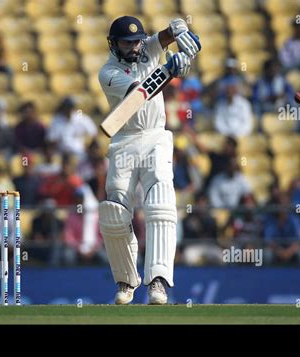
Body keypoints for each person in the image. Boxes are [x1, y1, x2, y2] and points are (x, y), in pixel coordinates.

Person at [98, 16, 200, 304]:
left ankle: (158, 282)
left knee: (160, 202)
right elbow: (140, 94)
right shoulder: (108, 72)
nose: (134, 46)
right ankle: (126, 282)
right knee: (114, 211)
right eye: (127, 42)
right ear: (114, 44)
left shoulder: (149, 49)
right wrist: (169, 69)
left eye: (137, 40)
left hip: (156, 136)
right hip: (123, 140)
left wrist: (179, 28)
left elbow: (166, 37)